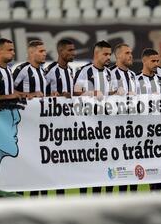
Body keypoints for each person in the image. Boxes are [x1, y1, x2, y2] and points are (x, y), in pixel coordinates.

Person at [74, 40, 120, 194]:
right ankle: (84, 198)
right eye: (105, 54)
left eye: (109, 54)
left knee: (105, 164)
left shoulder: (109, 73)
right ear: (96, 54)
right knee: (88, 164)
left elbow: (109, 94)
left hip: (106, 126)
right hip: (89, 125)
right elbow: (75, 92)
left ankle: (102, 197)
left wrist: (117, 92)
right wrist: (92, 93)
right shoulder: (84, 71)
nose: (108, 57)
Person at [13, 40, 48, 196]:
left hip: (40, 125)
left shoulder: (42, 71)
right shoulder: (22, 70)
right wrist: (30, 95)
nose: (44, 53)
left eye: (44, 51)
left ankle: (36, 196)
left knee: (39, 161)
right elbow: (9, 91)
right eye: (41, 51)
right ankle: (18, 195)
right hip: (24, 124)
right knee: (23, 161)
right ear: (31, 53)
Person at [44, 39, 76, 196]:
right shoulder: (50, 71)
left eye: (73, 50)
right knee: (52, 160)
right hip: (52, 124)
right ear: (60, 52)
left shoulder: (70, 71)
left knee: (64, 161)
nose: (73, 53)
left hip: (68, 122)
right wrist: (53, 96)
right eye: (69, 50)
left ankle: (61, 193)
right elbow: (40, 95)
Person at [110, 43, 138, 193]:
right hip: (115, 128)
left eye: (131, 53)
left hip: (133, 129)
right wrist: (115, 94)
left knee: (133, 166)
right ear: (118, 56)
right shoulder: (109, 74)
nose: (130, 55)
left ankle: (132, 198)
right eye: (127, 53)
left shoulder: (133, 75)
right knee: (116, 167)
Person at [136, 49, 161, 191]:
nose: (156, 64)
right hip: (143, 129)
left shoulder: (159, 80)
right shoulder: (136, 81)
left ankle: (157, 191)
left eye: (157, 61)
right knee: (148, 165)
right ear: (144, 61)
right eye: (153, 61)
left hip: (159, 128)